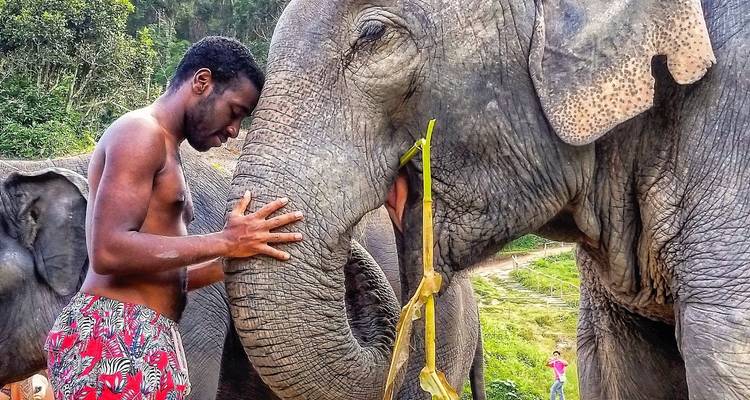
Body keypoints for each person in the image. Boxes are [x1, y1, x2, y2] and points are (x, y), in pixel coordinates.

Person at [44, 36, 304, 400]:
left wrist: (231, 260)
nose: (233, 131)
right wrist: (225, 240)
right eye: (235, 112)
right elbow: (109, 251)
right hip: (115, 334)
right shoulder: (141, 133)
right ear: (202, 82)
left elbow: (165, 277)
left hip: (145, 333)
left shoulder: (167, 148)